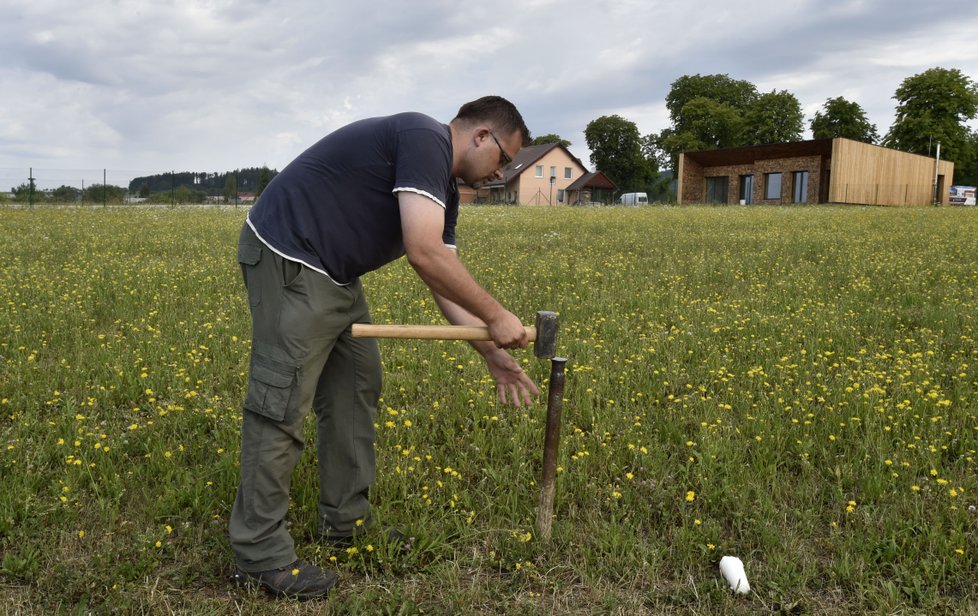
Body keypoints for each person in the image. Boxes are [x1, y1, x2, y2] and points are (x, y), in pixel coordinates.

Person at [229, 96, 540, 599]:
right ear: (482, 136)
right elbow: (424, 251)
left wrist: (491, 352)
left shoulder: (444, 188)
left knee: (357, 386)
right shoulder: (425, 139)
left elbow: (443, 280)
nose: (501, 171)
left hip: (335, 273)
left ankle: (347, 524)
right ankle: (258, 553)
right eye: (505, 158)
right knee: (280, 402)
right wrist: (498, 315)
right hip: (289, 255)